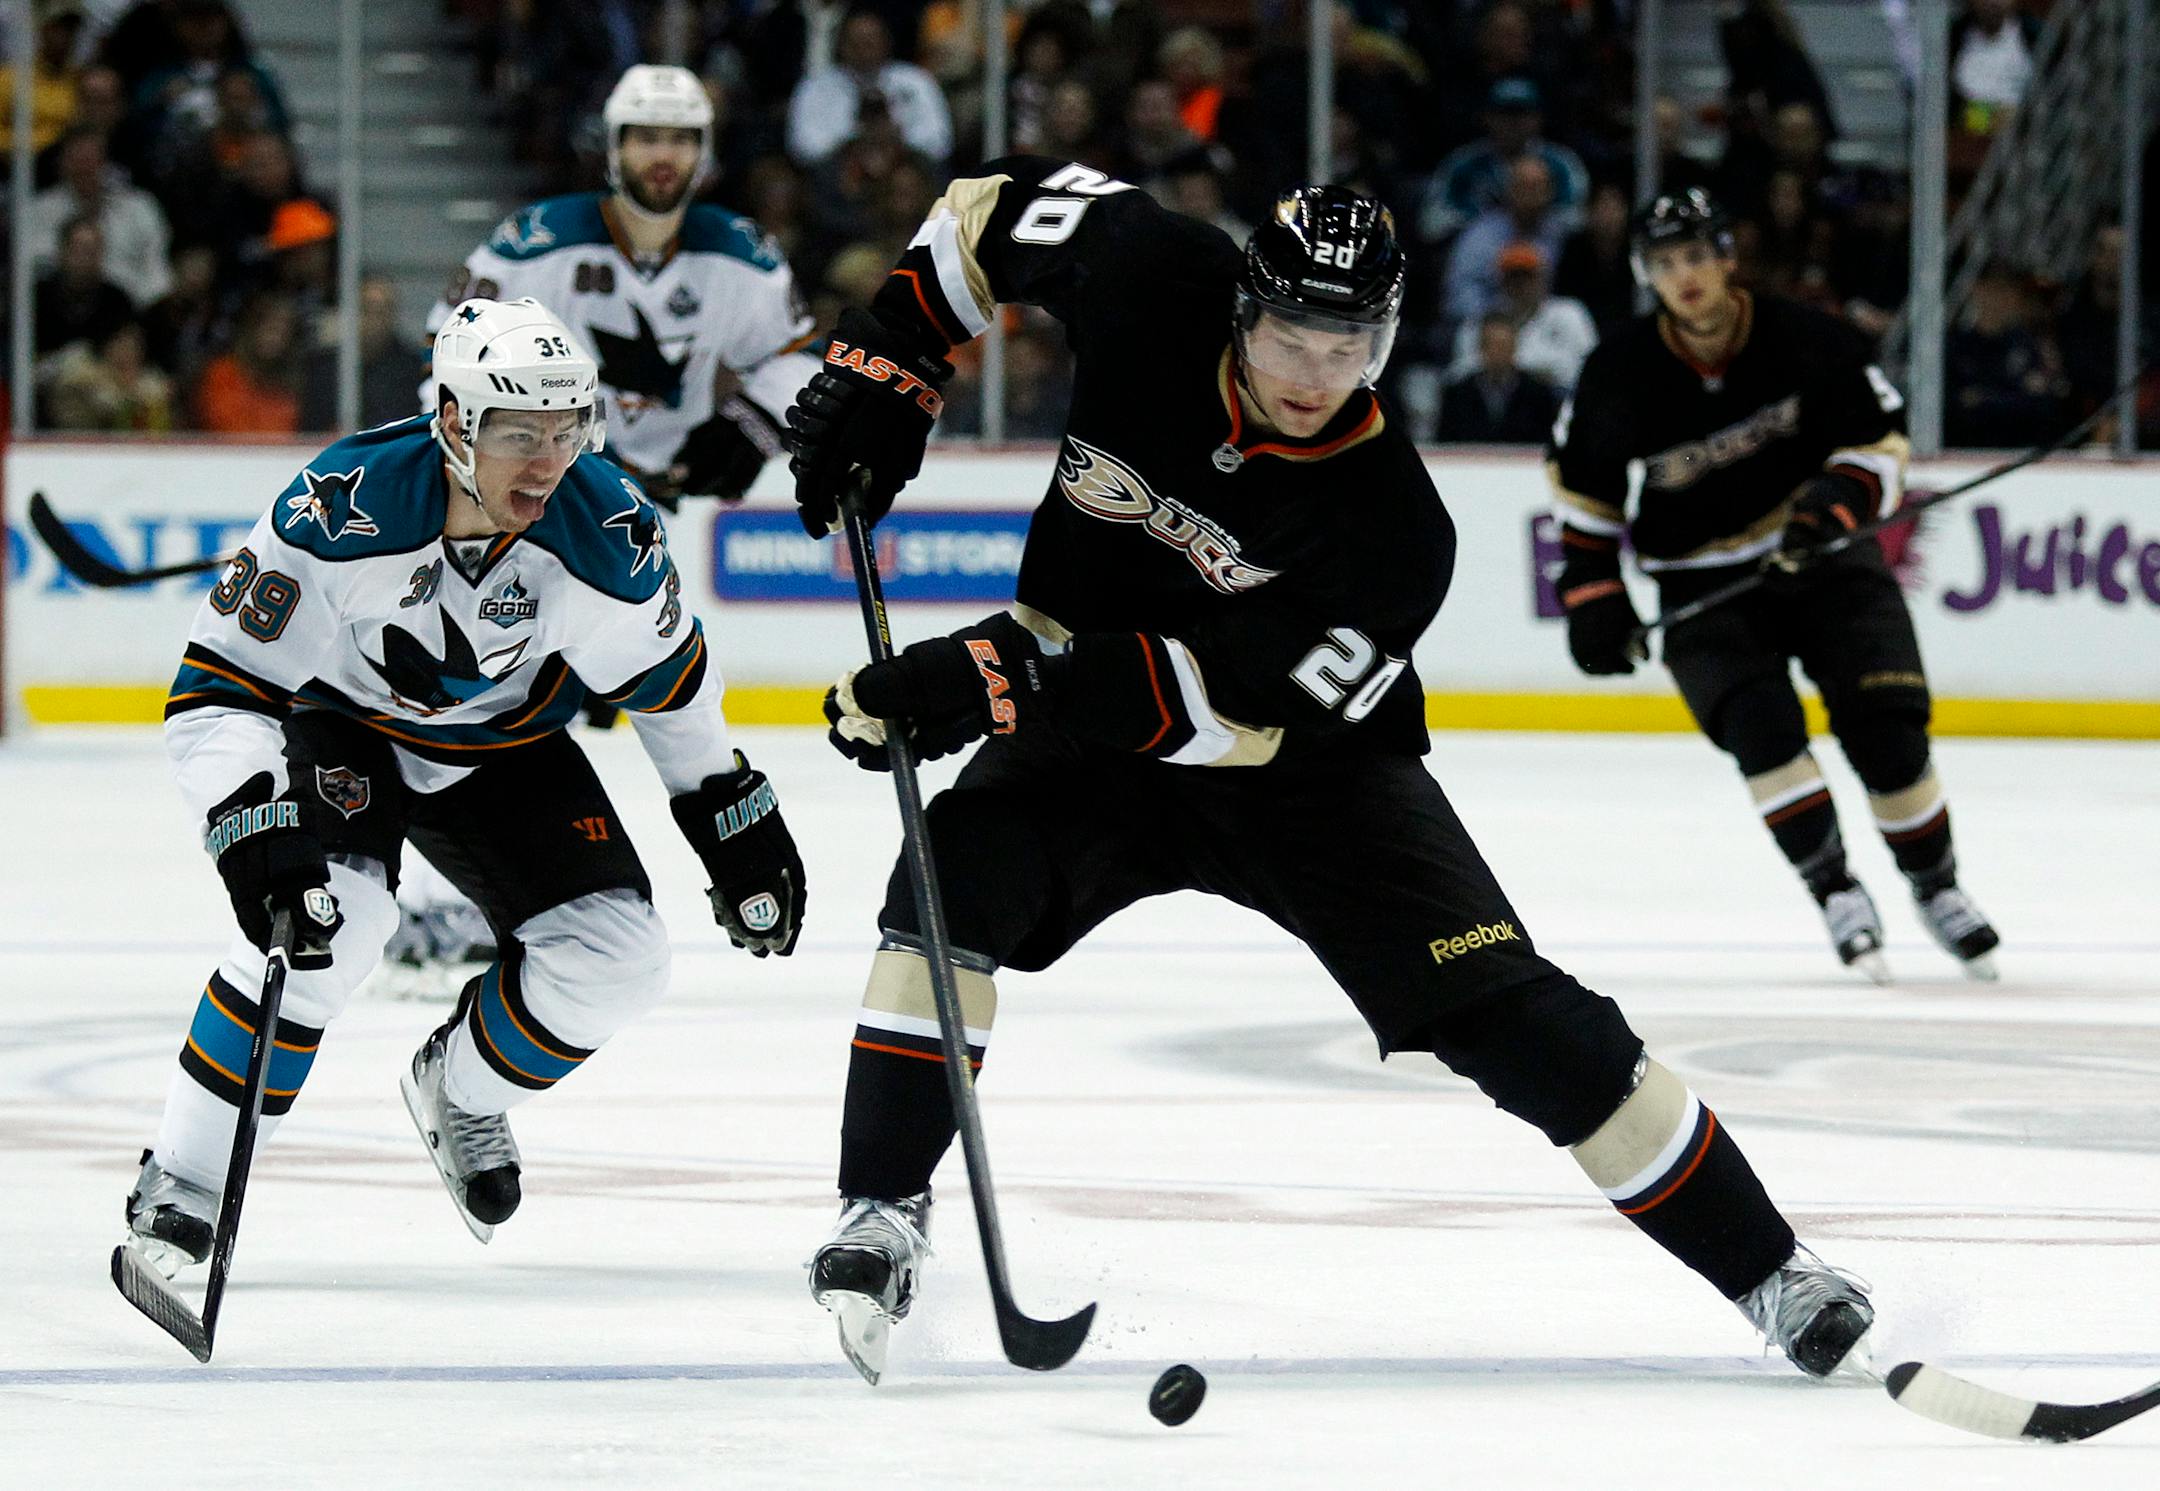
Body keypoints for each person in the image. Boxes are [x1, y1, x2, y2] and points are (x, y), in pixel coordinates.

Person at [780, 156, 1874, 1386]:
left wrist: (987, 679)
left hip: (1300, 771)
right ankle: (879, 1209)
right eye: (1294, 335)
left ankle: (1773, 1271)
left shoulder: (1396, 531)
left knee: (1510, 1016)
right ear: (1242, 305)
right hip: (1078, 720)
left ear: (1388, 339)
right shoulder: (1152, 275)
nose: (1314, 375)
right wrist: (896, 355)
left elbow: (1218, 714)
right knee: (943, 894)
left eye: (1348, 345)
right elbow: (984, 213)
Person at [121, 297, 807, 1276]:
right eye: (519, 430)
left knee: (620, 959)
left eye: (569, 427)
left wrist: (734, 822)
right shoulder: (341, 501)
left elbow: (672, 692)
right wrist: (249, 824)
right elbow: (219, 686)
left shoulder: (606, 531)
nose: (548, 458)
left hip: (502, 746)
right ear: (452, 421)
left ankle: (465, 1091)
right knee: (330, 922)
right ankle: (186, 1182)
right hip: (343, 724)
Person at [1547, 189, 2000, 981]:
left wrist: (1830, 509)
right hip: (1699, 583)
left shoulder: (1807, 337)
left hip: (1822, 559)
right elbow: (1584, 495)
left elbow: (1877, 442)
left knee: (1889, 732)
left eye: (1694, 256)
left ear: (1727, 257)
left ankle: (1936, 884)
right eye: (1663, 263)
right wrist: (1594, 598)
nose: (1683, 276)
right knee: (1761, 732)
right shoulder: (1616, 372)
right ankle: (1834, 888)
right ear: (1646, 276)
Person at [427, 64, 816, 510]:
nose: (664, 157)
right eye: (647, 139)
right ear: (615, 146)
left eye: (681, 139)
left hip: (679, 501)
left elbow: (798, 356)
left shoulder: (742, 253)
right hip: (546, 498)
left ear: (704, 152)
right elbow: (443, 354)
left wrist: (753, 424)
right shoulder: (535, 242)